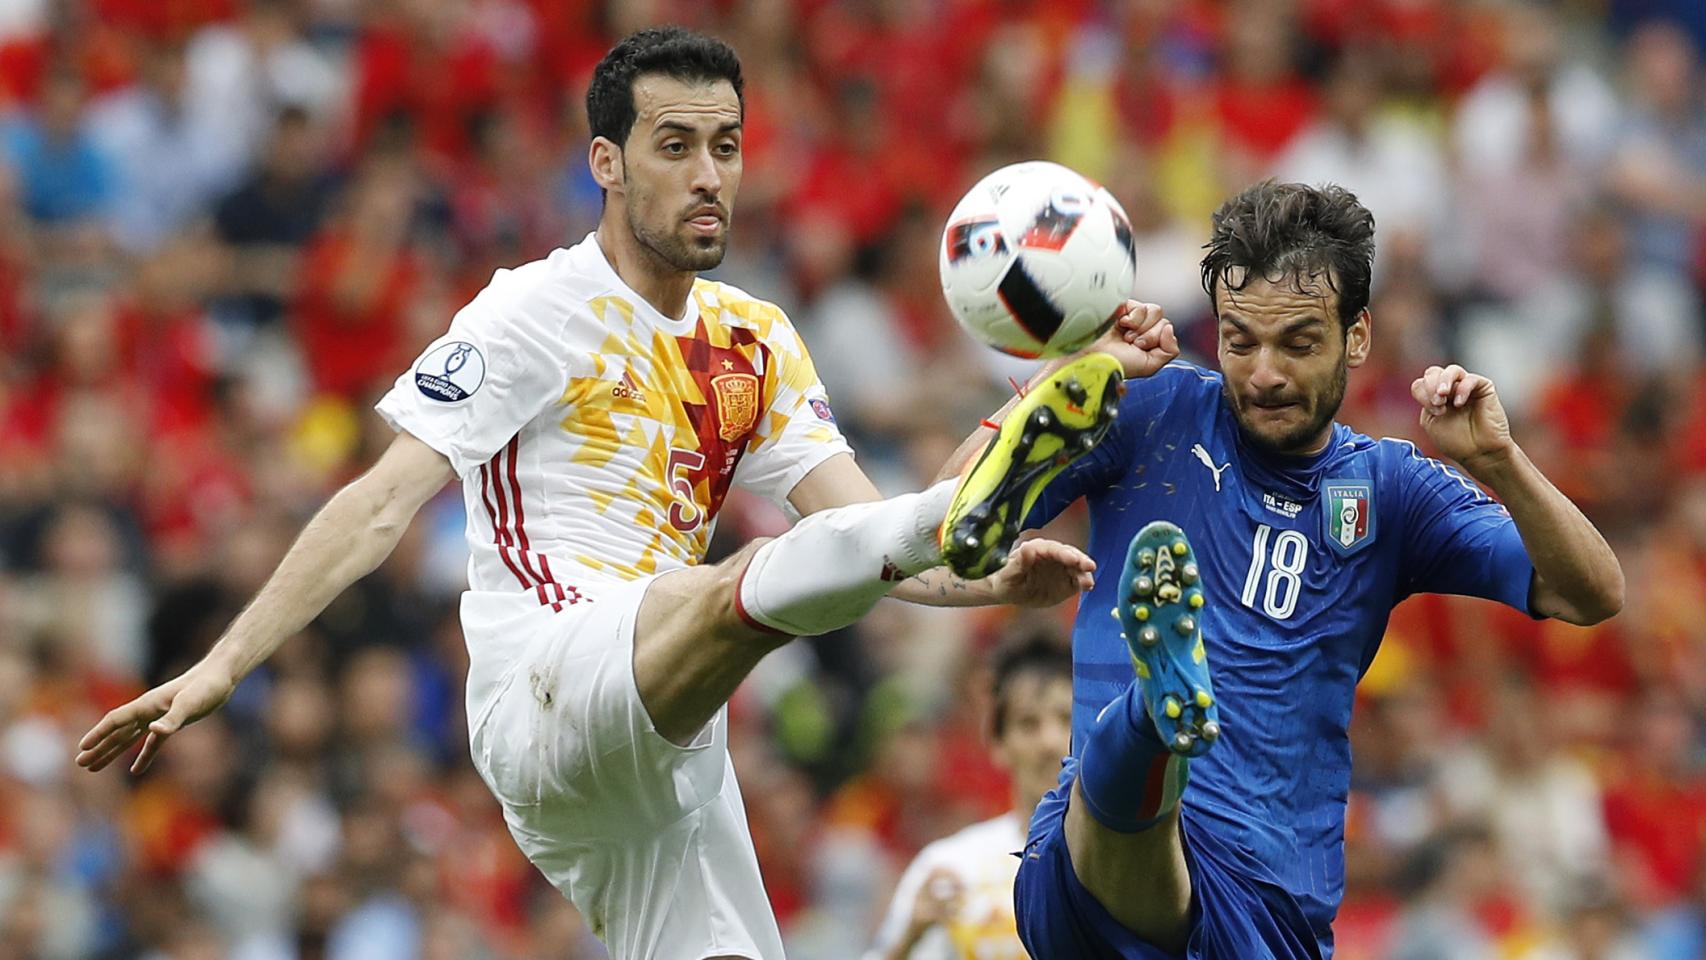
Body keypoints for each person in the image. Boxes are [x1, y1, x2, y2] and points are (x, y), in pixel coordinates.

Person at [72, 27, 1124, 960]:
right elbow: (380, 501)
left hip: (665, 753)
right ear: (606, 165)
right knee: (740, 581)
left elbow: (860, 537)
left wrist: (988, 588)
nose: (708, 174)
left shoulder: (753, 340)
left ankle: (1001, 451)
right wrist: (220, 664)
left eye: (725, 145)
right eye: (675, 147)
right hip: (548, 681)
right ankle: (1017, 427)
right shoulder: (532, 310)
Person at [947, 180, 1624, 958]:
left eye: (1298, 343)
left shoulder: (1392, 491)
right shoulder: (1147, 409)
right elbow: (946, 516)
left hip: (1267, 903)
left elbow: (1593, 592)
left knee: (1138, 818)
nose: (1263, 372)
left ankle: (1153, 715)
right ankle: (1155, 709)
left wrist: (1502, 461)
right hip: (1079, 870)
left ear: (1357, 337)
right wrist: (1080, 377)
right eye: (1239, 341)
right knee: (1117, 782)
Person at [865, 635, 1073, 960]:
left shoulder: (1129, 858)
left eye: (1067, 719)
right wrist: (910, 937)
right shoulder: (950, 868)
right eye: (1028, 724)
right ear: (998, 742)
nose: (1050, 741)